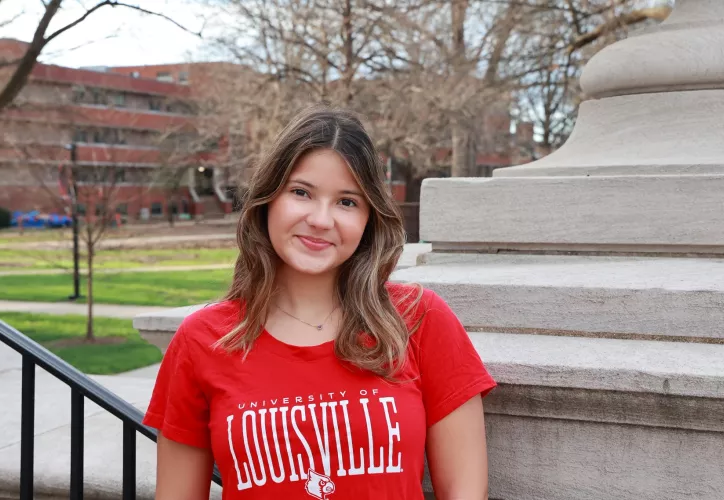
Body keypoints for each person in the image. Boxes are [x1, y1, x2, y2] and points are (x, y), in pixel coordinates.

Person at [143, 104, 497, 500]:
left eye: (347, 201)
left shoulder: (419, 319)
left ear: (368, 220)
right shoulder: (203, 340)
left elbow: (466, 492)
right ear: (268, 200)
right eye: (301, 192)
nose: (321, 219)